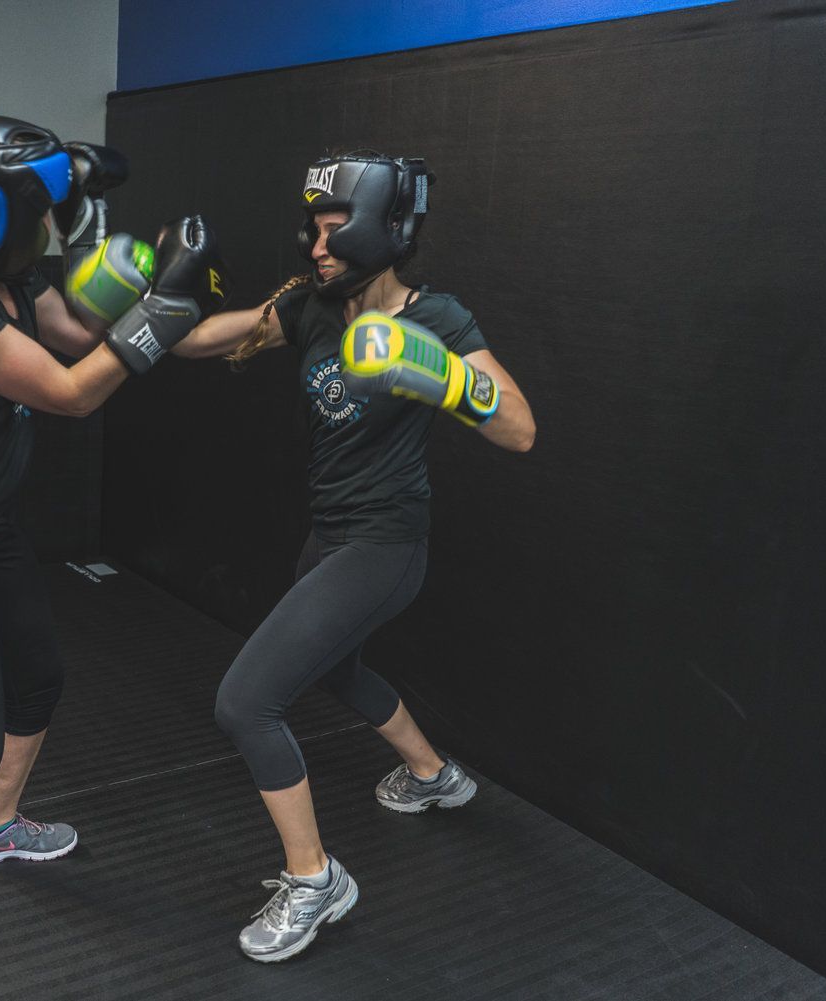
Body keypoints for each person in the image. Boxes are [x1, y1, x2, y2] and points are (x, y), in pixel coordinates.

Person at [0, 105, 229, 1001]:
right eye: (34, 218)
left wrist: (230, 320)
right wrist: (169, 303)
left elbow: (73, 332)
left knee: (37, 683)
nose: (42, 237)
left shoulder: (0, 276)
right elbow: (69, 391)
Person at [172, 151, 537, 962]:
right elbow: (199, 342)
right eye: (315, 229)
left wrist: (440, 374)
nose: (316, 246)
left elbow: (520, 428)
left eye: (335, 229)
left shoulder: (437, 318)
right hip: (330, 533)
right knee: (336, 669)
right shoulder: (307, 306)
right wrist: (157, 303)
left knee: (245, 701)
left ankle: (315, 879)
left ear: (386, 229)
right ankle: (434, 774)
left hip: (386, 543)